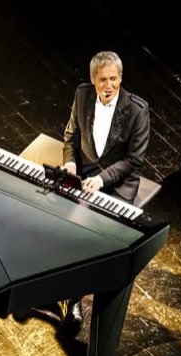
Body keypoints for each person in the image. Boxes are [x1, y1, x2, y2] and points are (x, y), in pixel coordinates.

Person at [61, 50, 150, 329]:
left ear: (121, 78)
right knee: (55, 218)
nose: (109, 86)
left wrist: (101, 180)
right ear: (93, 79)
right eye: (103, 80)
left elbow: (134, 160)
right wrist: (70, 163)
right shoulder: (82, 95)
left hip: (117, 184)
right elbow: (71, 137)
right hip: (84, 175)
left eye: (114, 79)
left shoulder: (137, 110)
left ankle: (75, 299)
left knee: (91, 236)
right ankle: (57, 285)